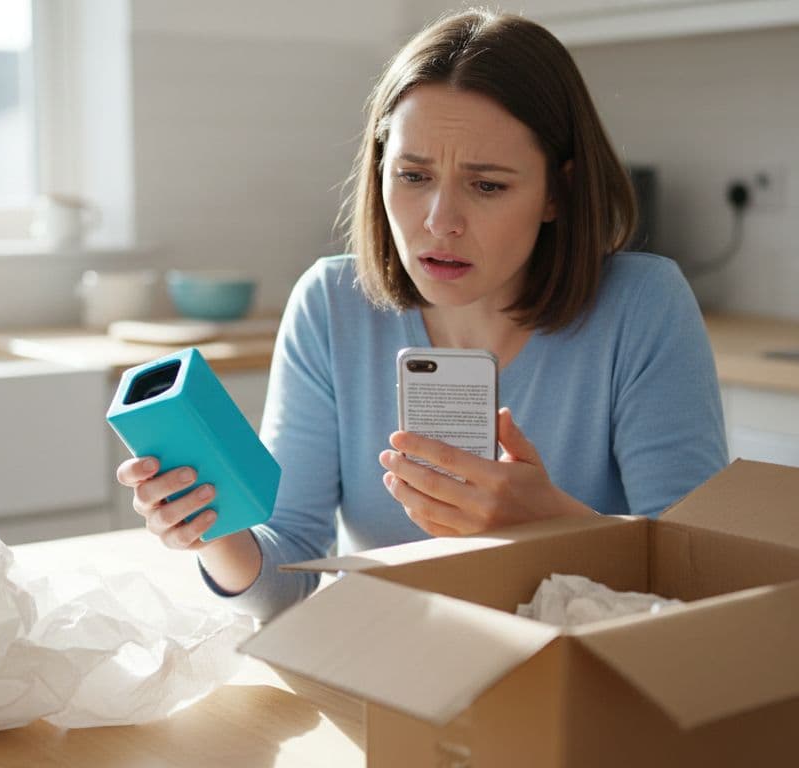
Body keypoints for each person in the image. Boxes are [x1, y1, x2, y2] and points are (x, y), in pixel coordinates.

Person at [115, 8, 728, 621]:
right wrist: (215, 532)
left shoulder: (644, 306)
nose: (440, 221)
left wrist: (556, 525)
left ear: (556, 193)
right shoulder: (330, 305)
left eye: (487, 186)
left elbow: (698, 579)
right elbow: (289, 573)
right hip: (397, 673)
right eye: (413, 175)